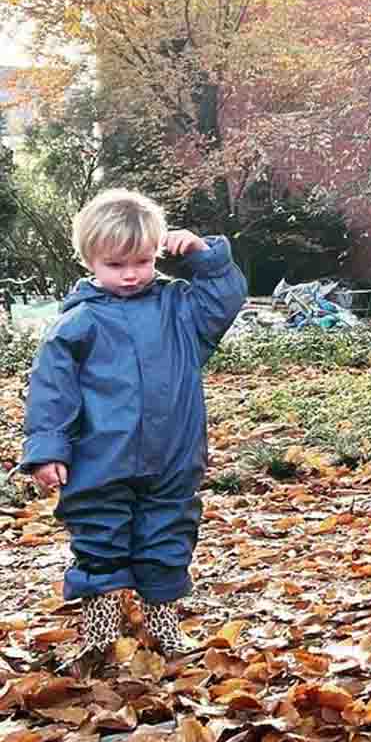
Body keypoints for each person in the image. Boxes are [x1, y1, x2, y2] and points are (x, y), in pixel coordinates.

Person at [19, 189, 248, 667]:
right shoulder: (77, 324)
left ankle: (164, 633)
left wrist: (204, 258)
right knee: (99, 546)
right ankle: (99, 637)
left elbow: (224, 299)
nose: (129, 274)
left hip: (172, 458)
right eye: (115, 264)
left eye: (142, 261)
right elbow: (52, 393)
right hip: (99, 463)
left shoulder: (180, 311)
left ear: (157, 254)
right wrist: (48, 450)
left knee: (168, 543)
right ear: (90, 262)